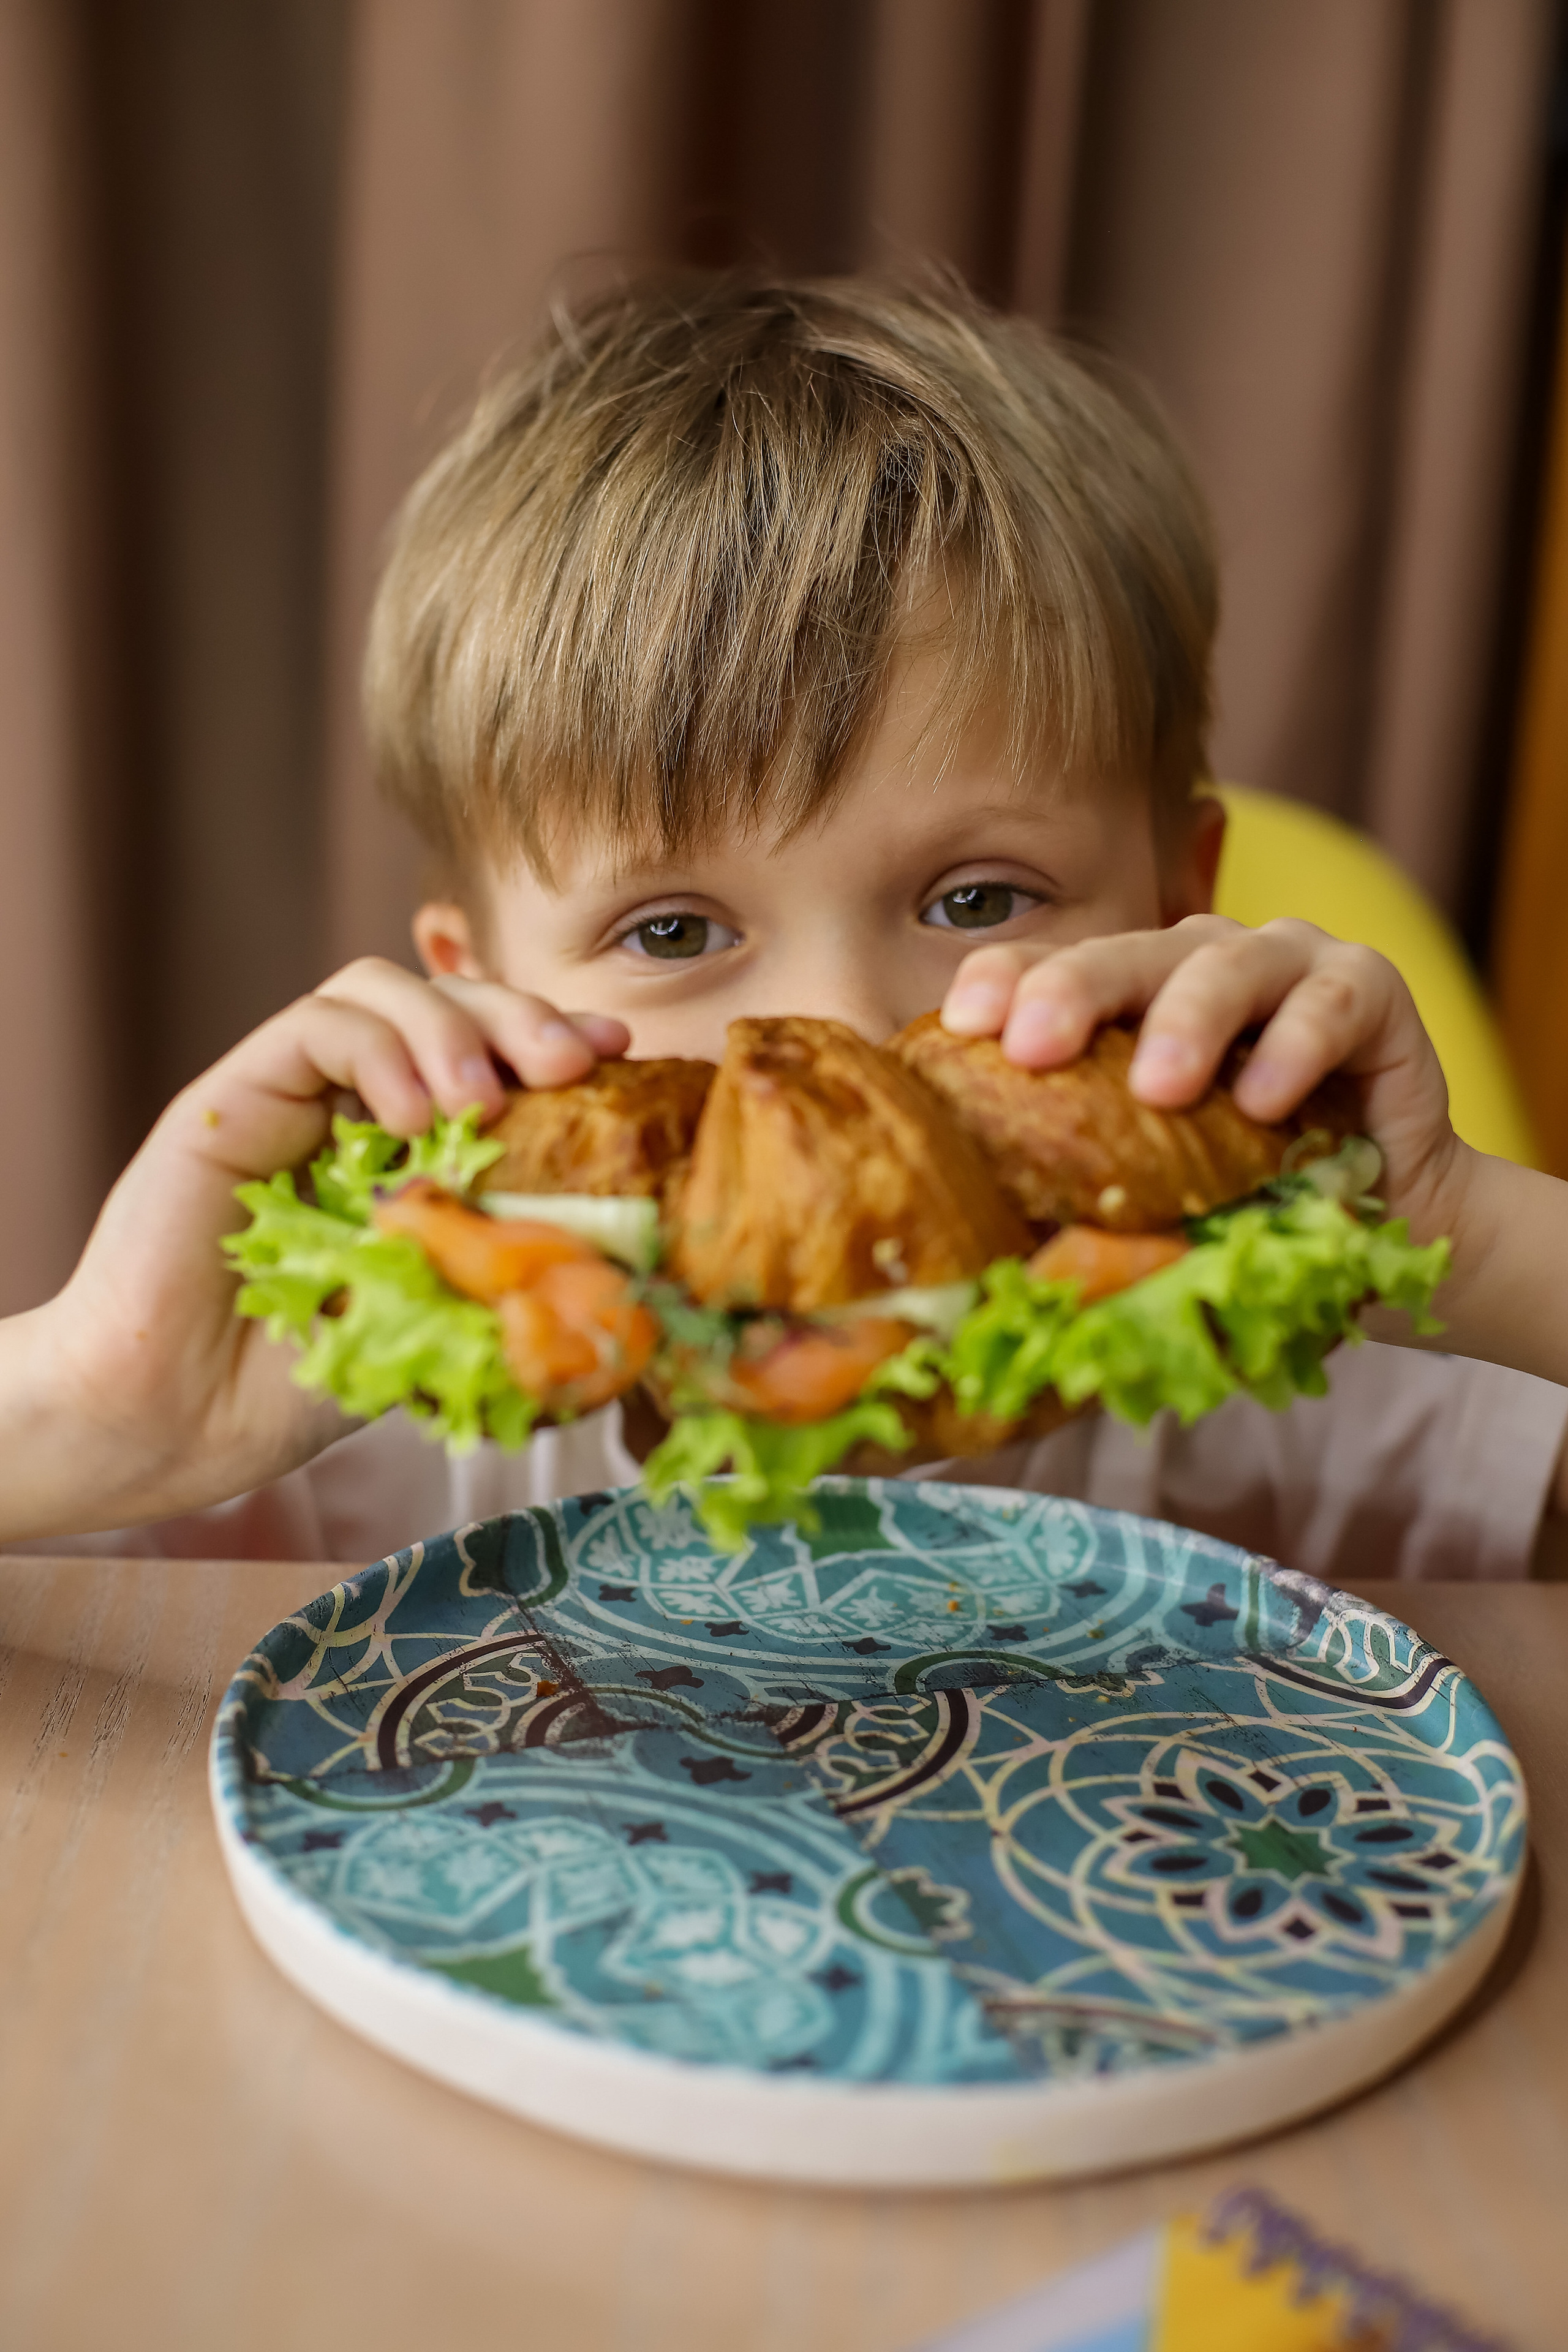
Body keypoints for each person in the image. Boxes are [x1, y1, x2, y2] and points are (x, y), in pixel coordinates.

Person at [6, 271, 1568, 1579]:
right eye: (672, 932)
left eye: (975, 901)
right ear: (478, 1000)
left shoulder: (1286, 1389)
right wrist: (98, 1398)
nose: (839, 1030)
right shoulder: (371, 1425)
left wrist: (1472, 1238)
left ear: (1174, 909)